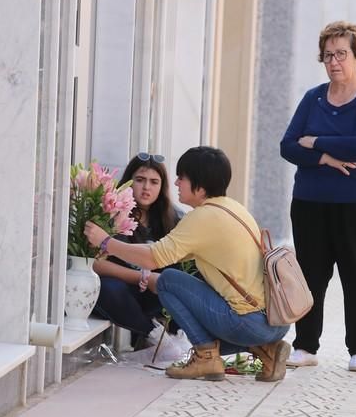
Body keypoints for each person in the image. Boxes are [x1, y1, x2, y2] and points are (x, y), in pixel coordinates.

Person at [84, 146, 291, 382]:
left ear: (200, 187)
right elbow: (162, 253)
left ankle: (206, 357)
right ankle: (267, 350)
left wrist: (106, 242)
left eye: (182, 178)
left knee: (169, 281)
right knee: (180, 282)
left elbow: (153, 258)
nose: (175, 183)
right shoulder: (234, 208)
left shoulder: (202, 218)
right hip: (275, 322)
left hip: (248, 324)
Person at [279, 21, 356, 372]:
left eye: (341, 54)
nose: (333, 62)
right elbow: (287, 146)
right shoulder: (313, 98)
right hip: (311, 202)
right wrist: (325, 157)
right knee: (310, 275)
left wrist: (315, 142)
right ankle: (306, 345)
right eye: (328, 55)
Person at [92, 153, 181, 350]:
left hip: (154, 293)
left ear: (162, 186)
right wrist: (142, 277)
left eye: (154, 182)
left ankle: (182, 339)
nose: (146, 187)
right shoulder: (111, 212)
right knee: (107, 289)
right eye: (140, 180)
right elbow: (95, 263)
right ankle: (153, 336)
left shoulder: (173, 218)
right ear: (129, 181)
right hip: (123, 288)